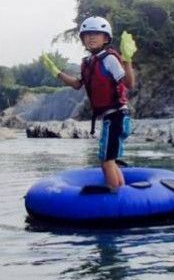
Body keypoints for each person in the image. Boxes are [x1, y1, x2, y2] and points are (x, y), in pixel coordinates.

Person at [41, 17, 137, 191]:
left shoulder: (109, 59)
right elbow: (78, 84)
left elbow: (129, 84)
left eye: (96, 34)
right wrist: (56, 72)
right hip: (110, 117)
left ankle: (114, 196)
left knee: (107, 162)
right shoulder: (89, 62)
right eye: (87, 35)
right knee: (109, 161)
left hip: (117, 115)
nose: (91, 38)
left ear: (106, 38)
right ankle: (120, 189)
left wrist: (128, 60)